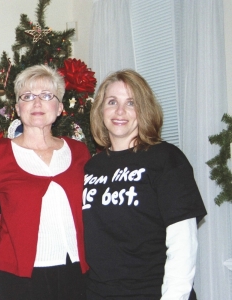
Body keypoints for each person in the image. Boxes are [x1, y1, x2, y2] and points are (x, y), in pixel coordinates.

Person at [83, 69, 207, 300]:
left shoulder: (166, 159)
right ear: (101, 110)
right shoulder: (92, 167)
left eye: (131, 103)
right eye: (112, 102)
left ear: (144, 109)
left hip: (152, 293)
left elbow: (184, 242)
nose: (120, 111)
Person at [0, 64, 91, 300]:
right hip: (17, 279)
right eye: (27, 96)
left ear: (60, 107)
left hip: (74, 273)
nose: (37, 103)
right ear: (17, 108)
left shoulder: (80, 152)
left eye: (46, 96)